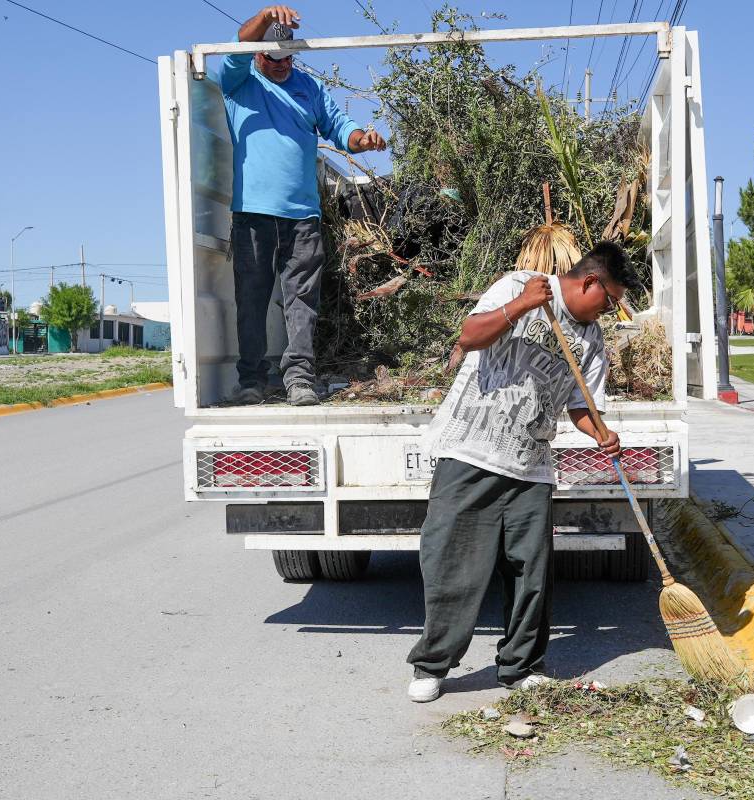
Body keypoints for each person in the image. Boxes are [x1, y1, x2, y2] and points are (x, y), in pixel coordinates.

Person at [405, 242, 633, 703]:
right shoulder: (518, 286)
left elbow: (579, 406)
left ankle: (520, 666)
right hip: (471, 452)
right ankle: (433, 665)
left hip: (532, 466)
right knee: (452, 566)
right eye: (609, 301)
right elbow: (469, 336)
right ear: (590, 282)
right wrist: (521, 306)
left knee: (530, 572)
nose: (609, 311)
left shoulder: (591, 341)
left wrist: (600, 432)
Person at [219, 6, 386, 406]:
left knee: (301, 304)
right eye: (272, 58)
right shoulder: (239, 82)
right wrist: (263, 16)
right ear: (260, 53)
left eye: (287, 58)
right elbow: (240, 42)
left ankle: (299, 380)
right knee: (252, 301)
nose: (280, 66)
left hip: (303, 217)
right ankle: (252, 380)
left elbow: (340, 127)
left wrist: (363, 139)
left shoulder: (309, 88)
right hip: (253, 214)